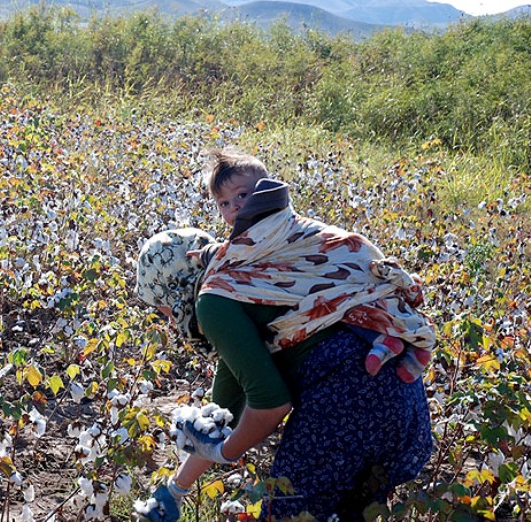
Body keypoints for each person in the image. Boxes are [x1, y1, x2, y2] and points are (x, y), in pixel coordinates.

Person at [134, 184, 435, 519]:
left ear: (175, 285)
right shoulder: (247, 282)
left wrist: (225, 452)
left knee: (287, 515)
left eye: (161, 305)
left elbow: (271, 405)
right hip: (401, 402)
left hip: (347, 405)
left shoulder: (212, 303)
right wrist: (175, 490)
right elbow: (222, 414)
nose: (167, 317)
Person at [200, 147, 429, 382]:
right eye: (223, 203)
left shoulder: (272, 223)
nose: (234, 207)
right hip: (340, 262)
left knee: (343, 298)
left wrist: (210, 257)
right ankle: (391, 340)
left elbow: (233, 255)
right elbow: (237, 253)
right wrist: (209, 252)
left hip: (341, 253)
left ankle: (399, 341)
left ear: (264, 190)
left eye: (241, 195)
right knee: (342, 301)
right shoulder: (252, 235)